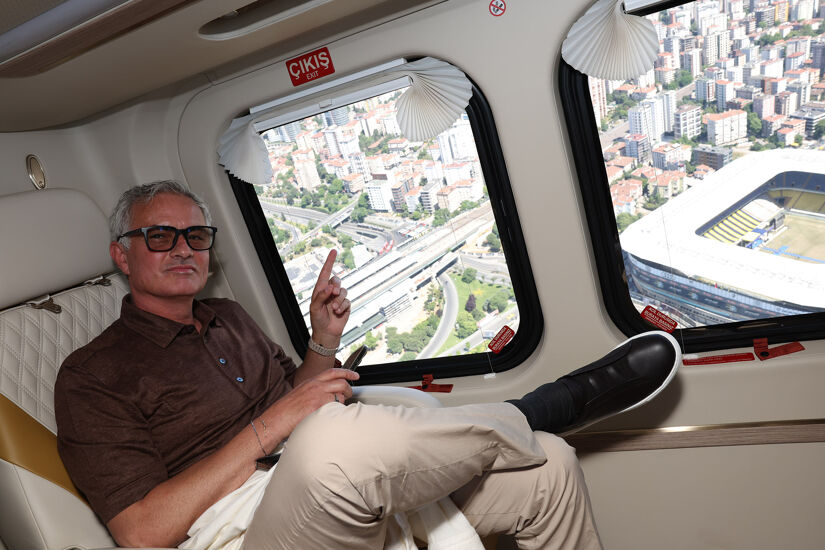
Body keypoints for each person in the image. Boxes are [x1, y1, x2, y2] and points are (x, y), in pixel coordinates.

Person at [55, 181, 679, 550]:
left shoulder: (228, 316)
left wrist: (322, 340)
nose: (184, 249)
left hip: (321, 486)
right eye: (160, 237)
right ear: (122, 255)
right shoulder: (92, 375)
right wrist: (275, 428)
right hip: (243, 532)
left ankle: (532, 422)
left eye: (197, 235)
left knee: (551, 466)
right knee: (329, 439)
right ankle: (540, 405)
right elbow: (141, 531)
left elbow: (300, 398)